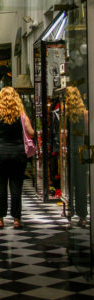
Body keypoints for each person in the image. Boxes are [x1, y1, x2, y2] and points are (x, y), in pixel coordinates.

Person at [0, 86, 34, 229]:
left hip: (0, 151)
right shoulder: (21, 114)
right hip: (18, 152)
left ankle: (0, 218)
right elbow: (31, 132)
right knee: (16, 186)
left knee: (0, 186)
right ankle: (16, 219)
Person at [65, 85, 89, 228]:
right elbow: (86, 132)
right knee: (81, 184)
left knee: (70, 183)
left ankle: (70, 211)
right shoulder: (84, 113)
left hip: (70, 149)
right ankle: (82, 215)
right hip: (81, 149)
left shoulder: (66, 113)